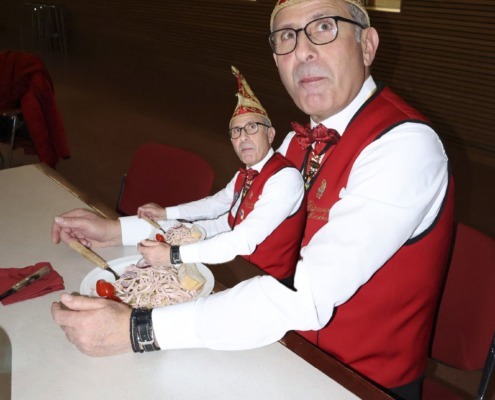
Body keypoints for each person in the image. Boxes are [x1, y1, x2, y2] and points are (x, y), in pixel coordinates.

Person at [51, 1, 453, 399]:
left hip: (353, 381)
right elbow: (229, 220)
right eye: (287, 36)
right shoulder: (297, 142)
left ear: (367, 45)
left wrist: (138, 330)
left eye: (324, 27)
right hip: (276, 345)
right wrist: (117, 231)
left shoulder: (404, 148)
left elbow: (303, 297)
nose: (303, 51)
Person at [128, 65, 306, 286]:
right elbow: (216, 207)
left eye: (252, 127)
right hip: (239, 267)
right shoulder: (245, 175)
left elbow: (242, 240)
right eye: (236, 131)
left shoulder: (284, 179)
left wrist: (174, 254)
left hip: (268, 282)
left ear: (270, 134)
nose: (243, 137)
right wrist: (166, 213)